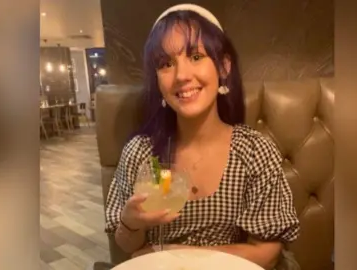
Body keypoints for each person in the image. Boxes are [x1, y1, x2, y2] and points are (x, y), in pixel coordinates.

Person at [104, 4, 300, 270]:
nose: (182, 76)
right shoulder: (141, 154)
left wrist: (178, 253)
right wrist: (131, 223)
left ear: (223, 66)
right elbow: (129, 247)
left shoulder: (254, 151)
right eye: (166, 63)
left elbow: (267, 253)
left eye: (196, 56)